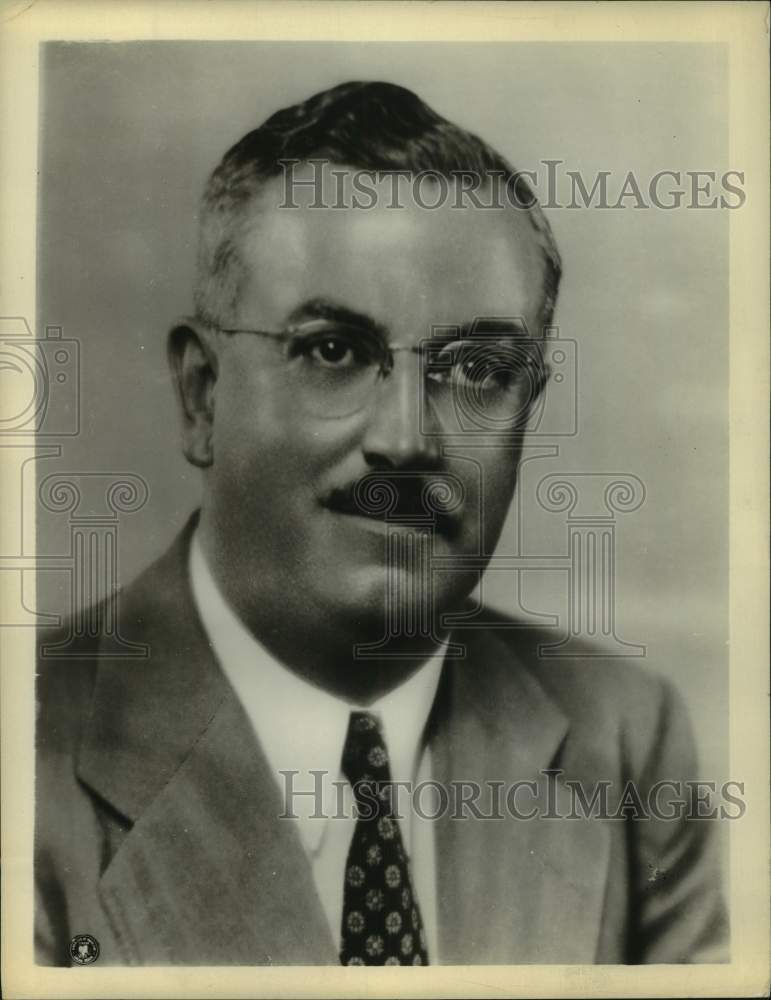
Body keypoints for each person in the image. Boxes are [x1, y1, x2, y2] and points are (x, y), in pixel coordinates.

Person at [35, 80, 726, 966]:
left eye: (476, 369)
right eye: (334, 351)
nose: (406, 440)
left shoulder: (627, 739)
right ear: (203, 397)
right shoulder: (30, 748)